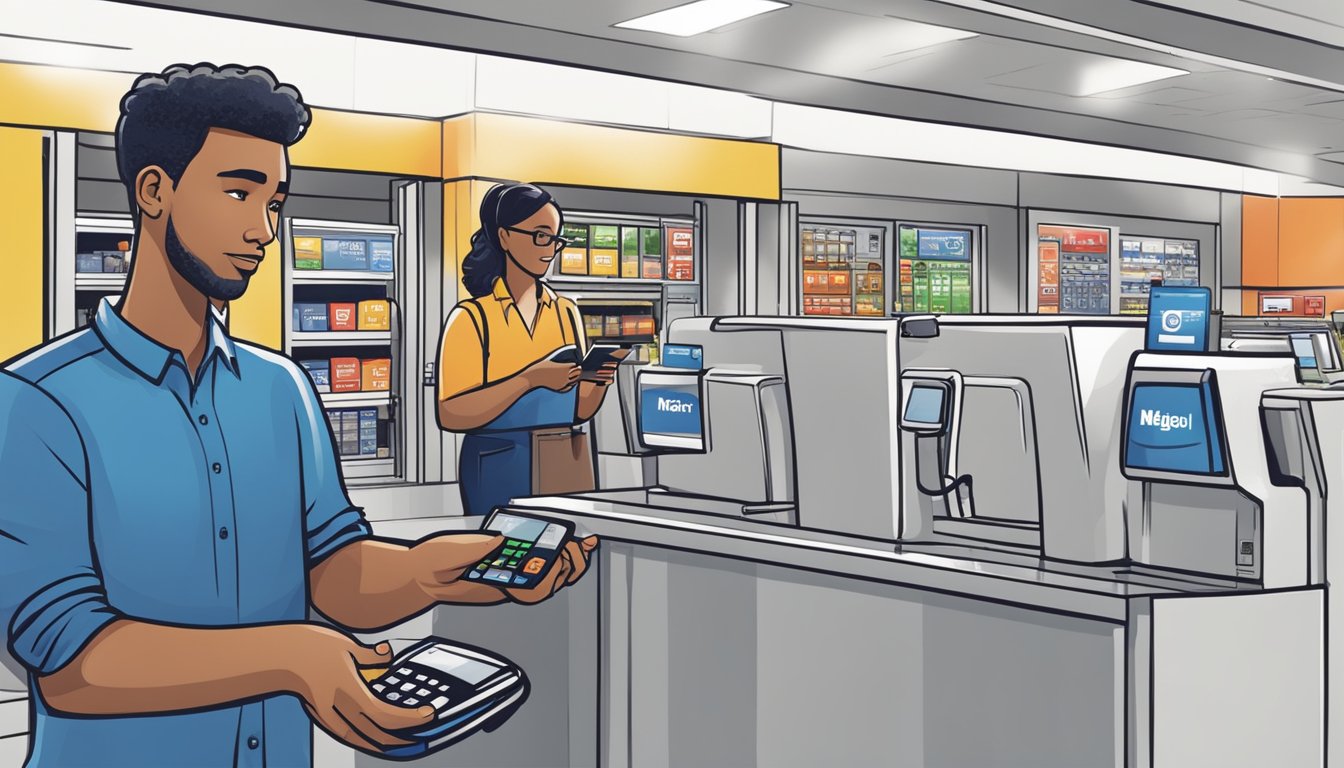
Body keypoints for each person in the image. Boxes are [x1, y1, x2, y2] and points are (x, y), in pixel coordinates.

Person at [0, 63, 597, 768]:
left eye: (276, 201)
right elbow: (71, 663)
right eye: (238, 191)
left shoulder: (280, 388)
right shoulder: (38, 401)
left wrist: (427, 573)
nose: (264, 229)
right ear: (154, 190)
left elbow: (332, 569)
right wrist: (291, 657)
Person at [436, 183, 626, 516]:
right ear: (504, 237)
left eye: (555, 239)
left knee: (569, 553)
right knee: (504, 554)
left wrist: (597, 380)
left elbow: (578, 411)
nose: (550, 248)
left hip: (562, 454)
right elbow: (450, 412)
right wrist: (529, 379)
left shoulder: (565, 311)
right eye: (540, 235)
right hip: (499, 460)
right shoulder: (471, 318)